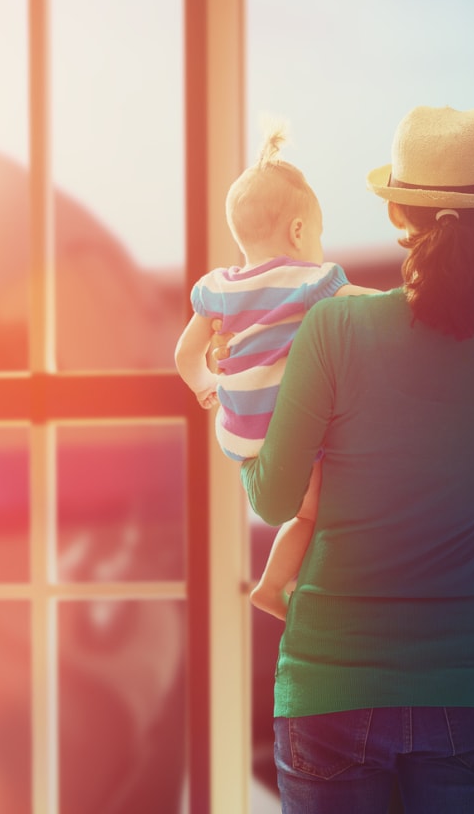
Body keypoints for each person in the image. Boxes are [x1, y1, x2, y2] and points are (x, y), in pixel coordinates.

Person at [240, 106, 474, 813]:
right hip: (466, 691)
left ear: (394, 212)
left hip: (330, 689)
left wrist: (238, 409)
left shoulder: (335, 327)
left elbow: (273, 500)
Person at [174, 123, 377, 619]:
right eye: (320, 233)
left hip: (239, 428)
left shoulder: (220, 286)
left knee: (304, 501)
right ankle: (272, 586)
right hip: (281, 428)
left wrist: (205, 384)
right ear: (299, 231)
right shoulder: (307, 281)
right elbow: (367, 304)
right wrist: (410, 300)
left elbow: (185, 353)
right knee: (313, 511)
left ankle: (282, 582)